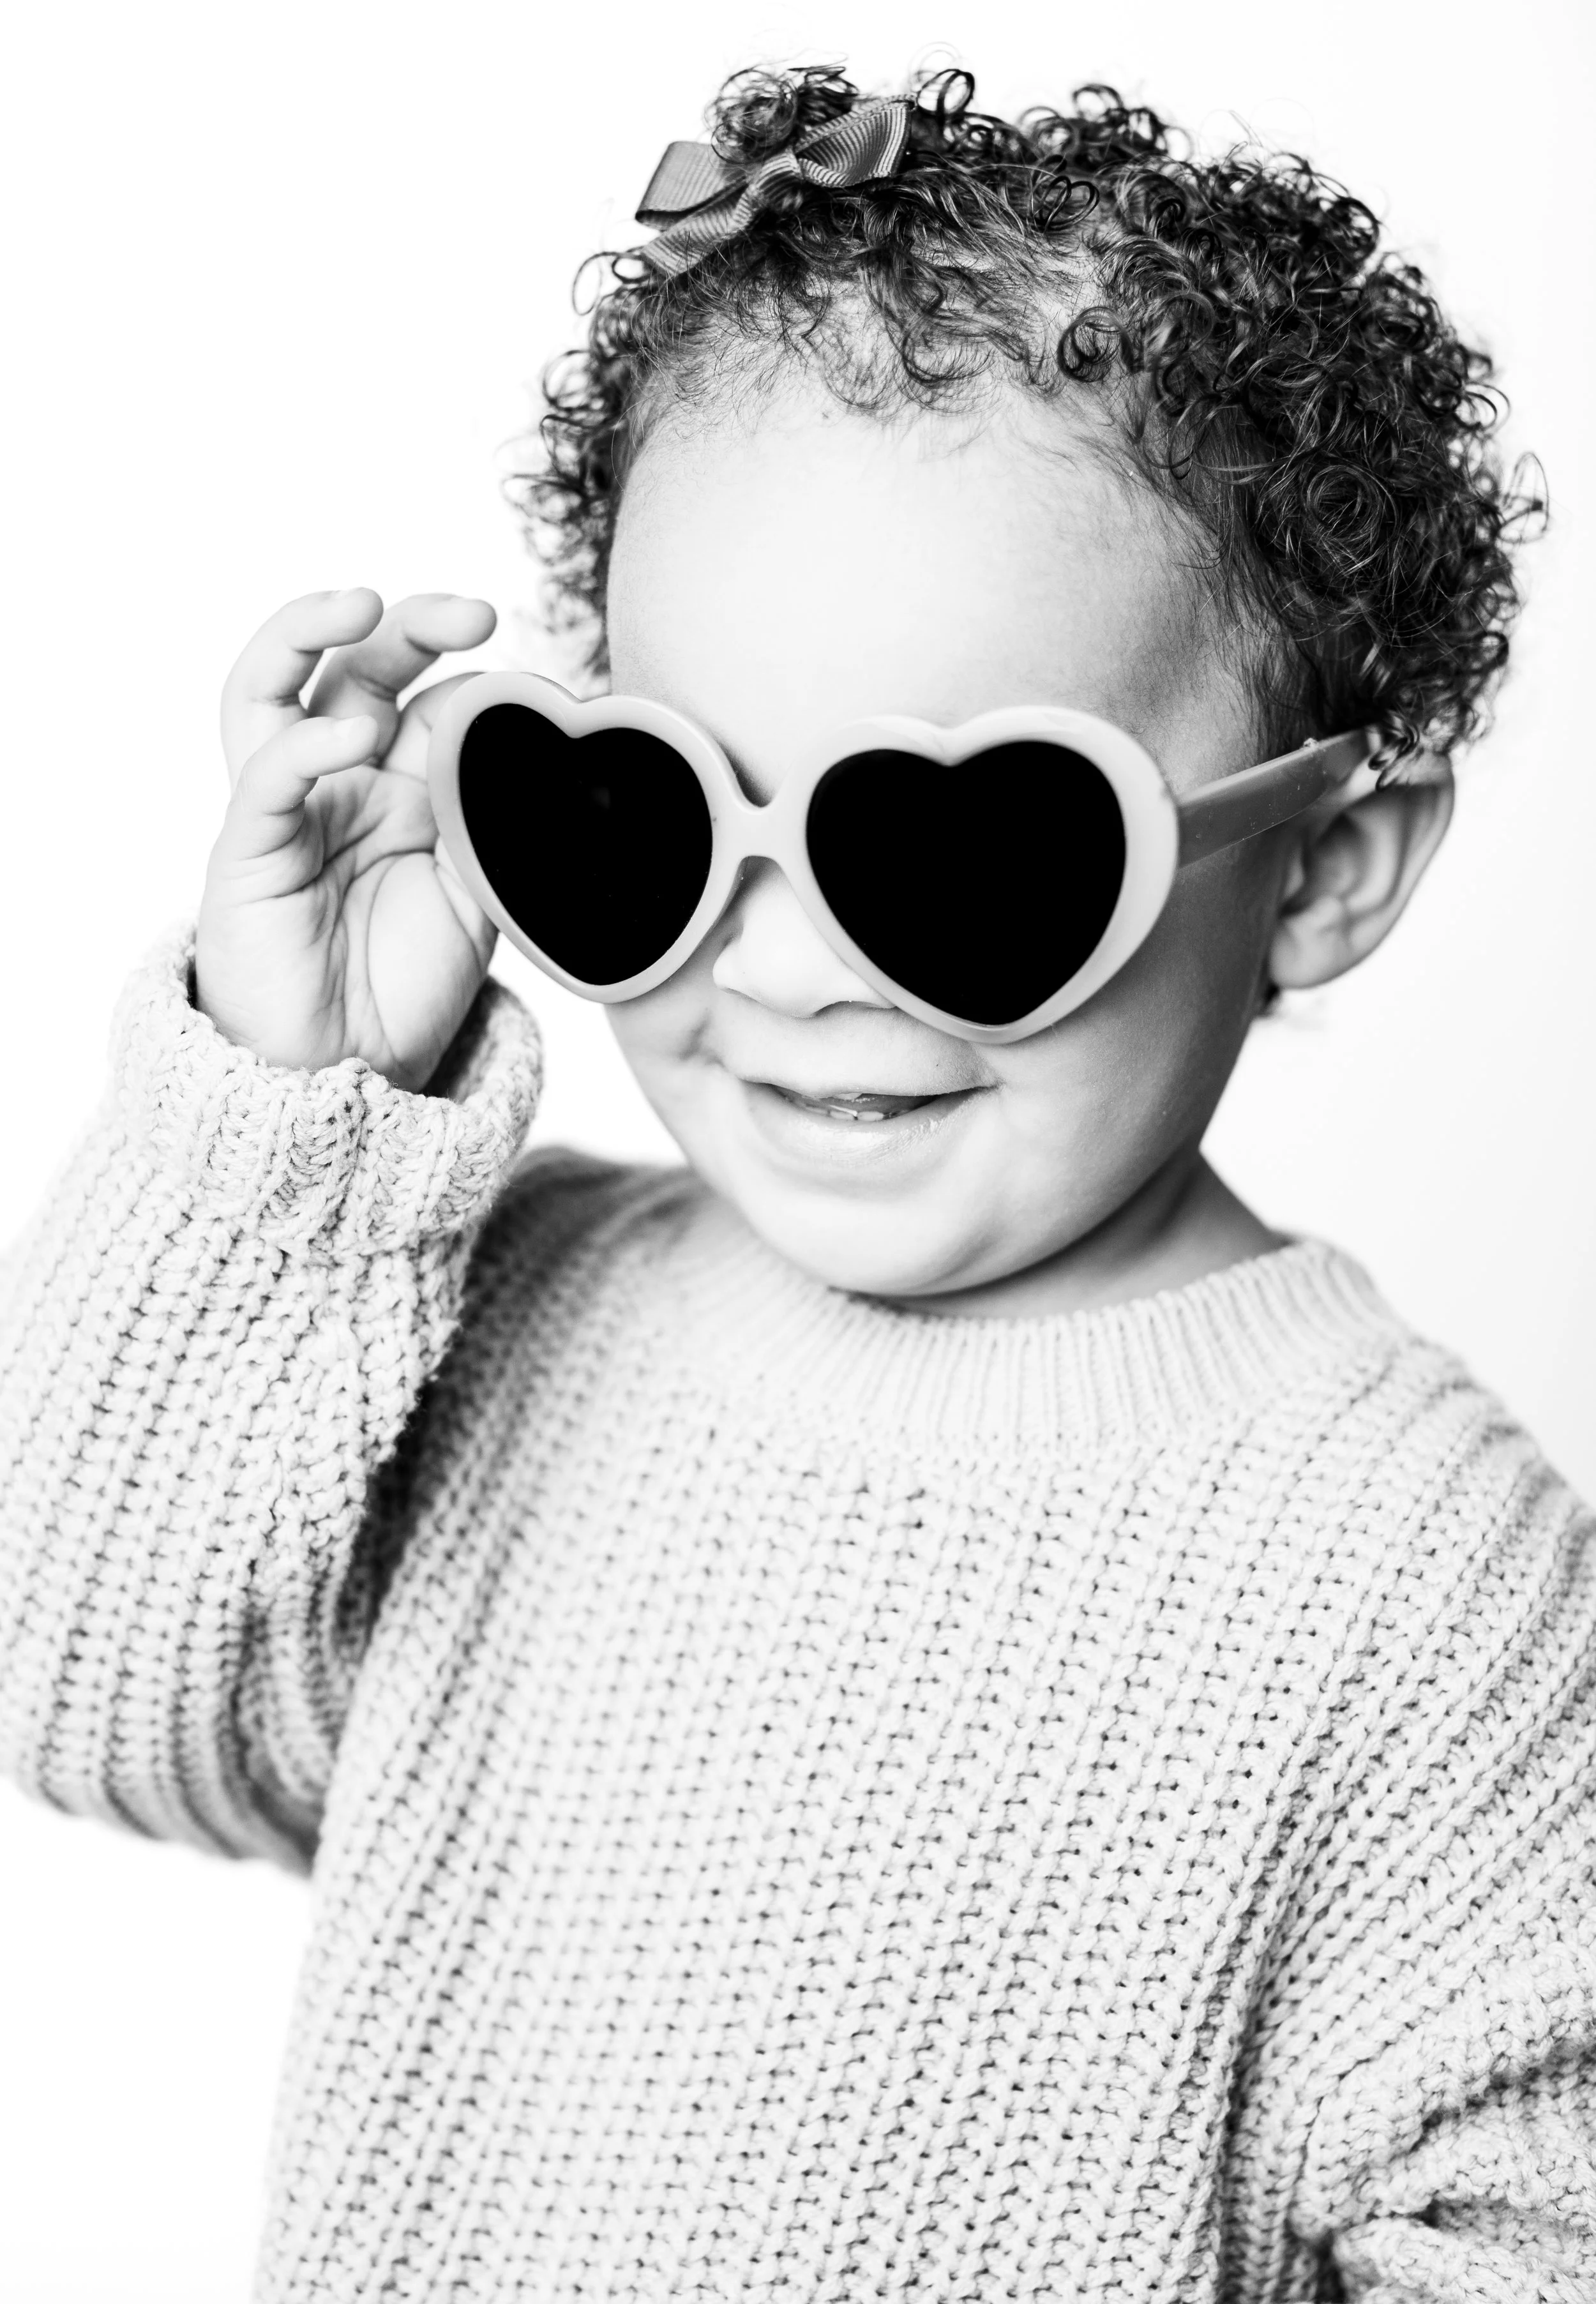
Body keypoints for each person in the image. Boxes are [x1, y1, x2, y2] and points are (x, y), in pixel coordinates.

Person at [2, 60, 1590, 2303]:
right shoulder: (485, 1311)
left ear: (1316, 870)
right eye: (650, 808)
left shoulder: (1434, 1606)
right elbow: (98, 1704)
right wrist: (294, 1131)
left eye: (962, 850)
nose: (789, 968)